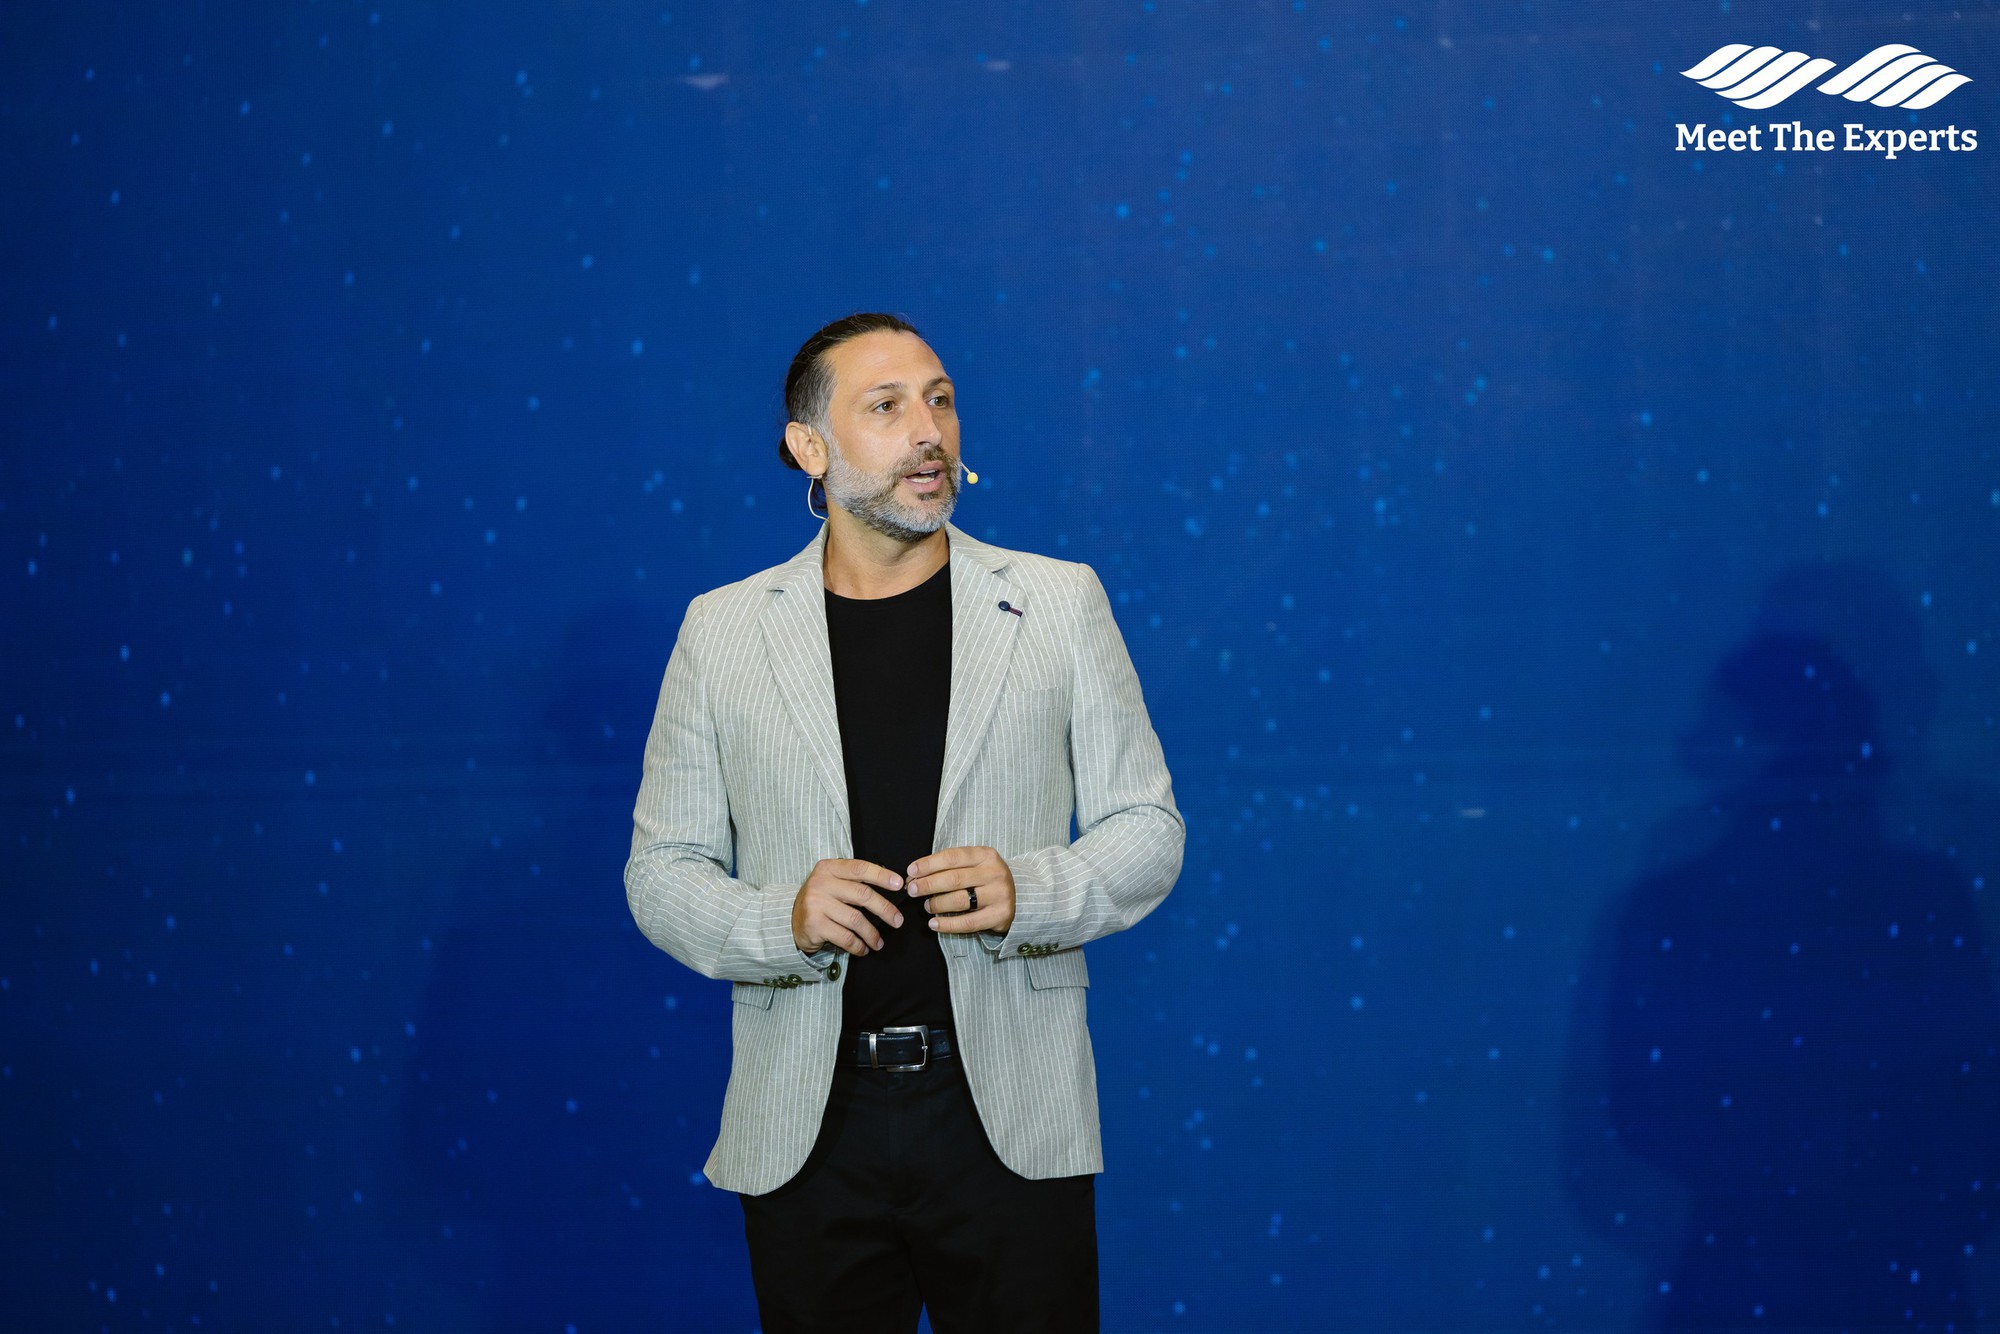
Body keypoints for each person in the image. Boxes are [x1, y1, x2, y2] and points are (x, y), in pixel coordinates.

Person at [623, 311, 1185, 1332]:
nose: (928, 432)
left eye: (940, 400)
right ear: (809, 446)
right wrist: (782, 919)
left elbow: (1146, 826)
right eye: (885, 407)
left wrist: (1031, 889)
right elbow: (662, 871)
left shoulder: (1057, 603)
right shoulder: (724, 628)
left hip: (1008, 1116)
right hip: (809, 1125)